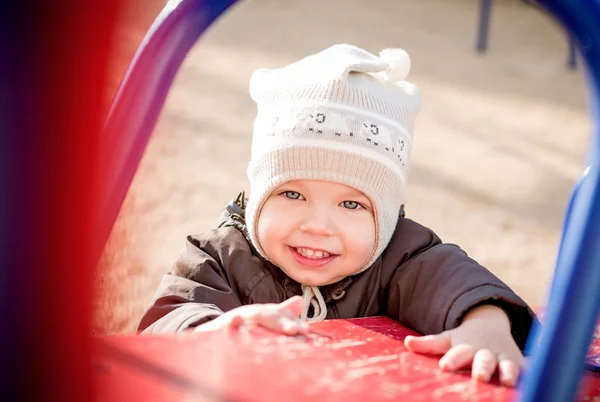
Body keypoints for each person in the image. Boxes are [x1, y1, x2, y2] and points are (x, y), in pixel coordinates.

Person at [137, 44, 536, 387]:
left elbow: (456, 280)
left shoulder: (400, 257)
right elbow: (166, 322)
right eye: (292, 193)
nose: (317, 225)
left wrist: (486, 322)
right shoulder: (219, 256)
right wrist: (214, 330)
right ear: (257, 196)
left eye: (351, 205)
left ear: (385, 217)